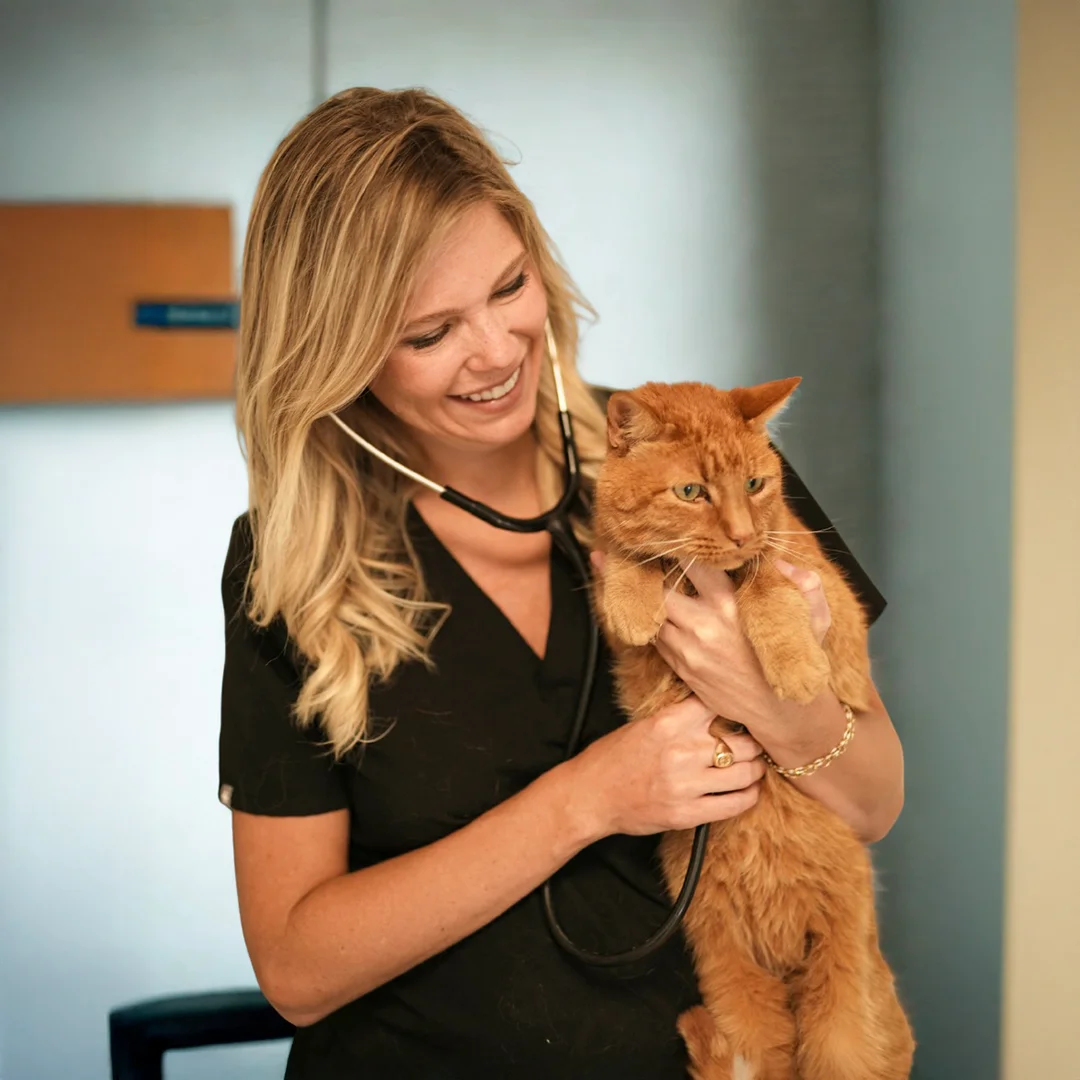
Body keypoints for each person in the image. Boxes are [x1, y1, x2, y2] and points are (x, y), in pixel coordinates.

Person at [218, 86, 905, 1080]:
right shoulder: (290, 563)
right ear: (339, 353)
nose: (495, 353)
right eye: (429, 333)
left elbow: (875, 799)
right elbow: (295, 969)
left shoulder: (702, 462)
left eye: (509, 288)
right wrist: (586, 799)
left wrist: (773, 706)